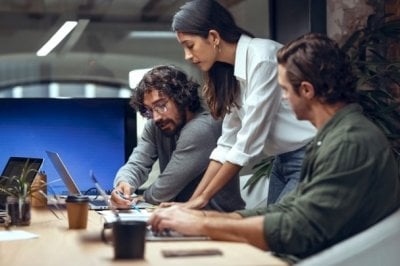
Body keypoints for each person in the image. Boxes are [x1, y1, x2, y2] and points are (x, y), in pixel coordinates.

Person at [148, 33, 400, 263]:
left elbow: (296, 229)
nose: (282, 98)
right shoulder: (331, 137)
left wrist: (202, 227)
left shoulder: (349, 142)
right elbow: (288, 209)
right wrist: (204, 218)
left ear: (307, 90)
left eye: (284, 90)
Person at [163, 0, 316, 209]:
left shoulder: (263, 58)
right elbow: (227, 144)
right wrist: (191, 204)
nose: (188, 56)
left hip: (309, 158)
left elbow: (246, 143)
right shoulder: (230, 71)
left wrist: (202, 199)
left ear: (214, 37)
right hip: (281, 161)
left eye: (190, 46)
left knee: (277, 232)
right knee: (268, 234)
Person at [111, 65, 245, 211]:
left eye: (161, 106)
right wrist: (123, 185)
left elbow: (163, 191)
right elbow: (137, 164)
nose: (156, 117)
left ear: (182, 97)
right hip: (182, 218)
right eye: (150, 110)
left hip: (219, 221)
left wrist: (141, 198)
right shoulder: (156, 126)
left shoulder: (201, 129)